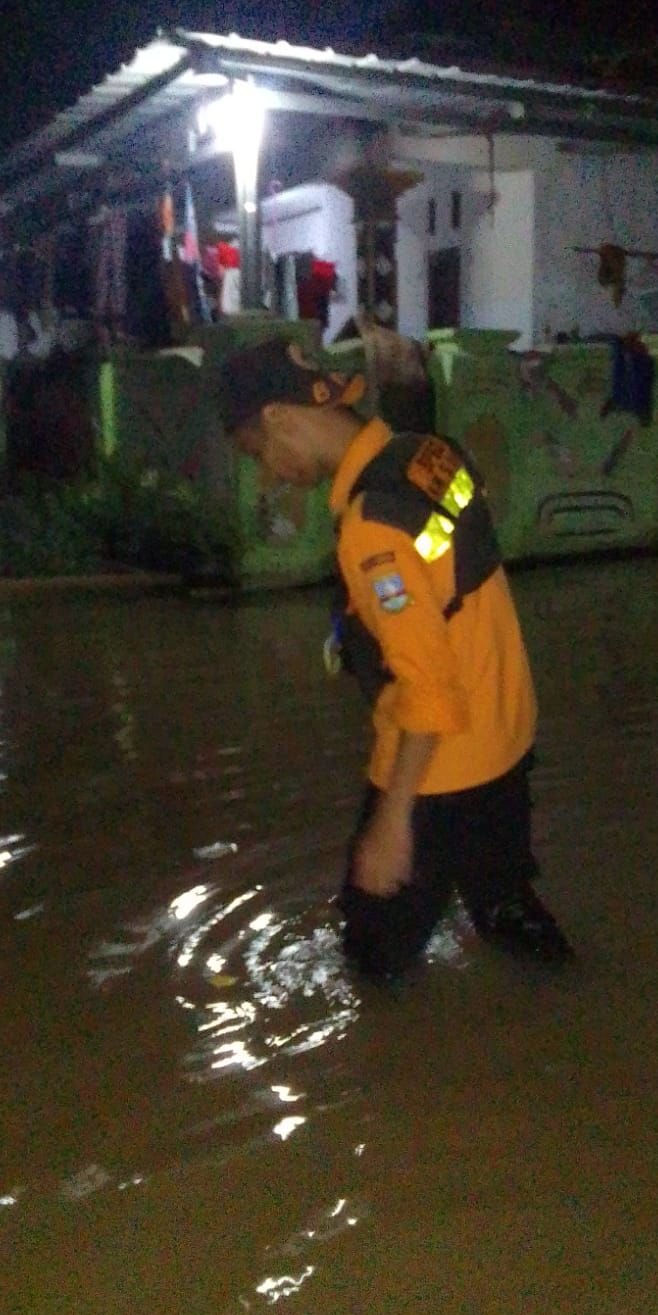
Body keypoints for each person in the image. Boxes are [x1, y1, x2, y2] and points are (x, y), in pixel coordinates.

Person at [216, 334, 573, 982]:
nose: (268, 473)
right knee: (505, 911)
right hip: (506, 734)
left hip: (439, 767)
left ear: (279, 417)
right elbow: (448, 584)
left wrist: (393, 822)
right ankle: (587, 1010)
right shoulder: (427, 453)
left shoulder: (372, 526)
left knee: (371, 959)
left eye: (257, 453)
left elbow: (427, 686)